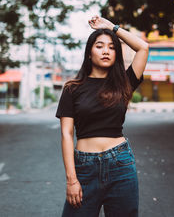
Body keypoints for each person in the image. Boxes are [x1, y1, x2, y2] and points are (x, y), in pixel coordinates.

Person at [55, 16, 149, 217]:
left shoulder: (125, 83)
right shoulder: (72, 89)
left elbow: (143, 48)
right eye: (99, 46)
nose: (106, 50)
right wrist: (72, 180)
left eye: (111, 47)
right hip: (84, 167)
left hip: (120, 164)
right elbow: (66, 134)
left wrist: (111, 27)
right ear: (89, 53)